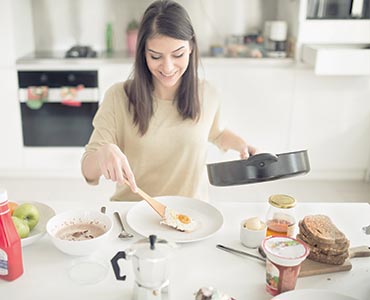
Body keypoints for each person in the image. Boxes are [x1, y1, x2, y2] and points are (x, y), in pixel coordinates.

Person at [81, 0, 257, 201]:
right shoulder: (119, 96)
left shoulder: (208, 94)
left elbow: (214, 132)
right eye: (156, 56)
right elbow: (88, 171)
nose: (168, 67)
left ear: (190, 47)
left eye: (178, 54)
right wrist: (103, 152)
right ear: (143, 54)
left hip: (190, 215)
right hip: (132, 213)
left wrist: (243, 145)